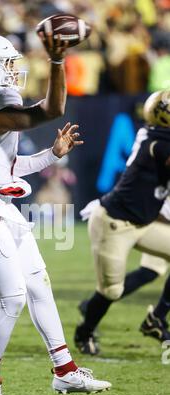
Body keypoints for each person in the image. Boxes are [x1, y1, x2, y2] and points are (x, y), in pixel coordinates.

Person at [0, 32, 111, 395]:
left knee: (38, 280)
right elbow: (52, 109)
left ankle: (65, 370)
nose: (12, 70)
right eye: (7, 63)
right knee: (12, 297)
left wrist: (50, 155)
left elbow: (6, 168)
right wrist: (56, 62)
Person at [75, 90, 170, 355]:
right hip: (114, 224)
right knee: (111, 291)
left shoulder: (154, 134)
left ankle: (158, 318)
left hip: (144, 223)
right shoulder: (159, 140)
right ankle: (85, 332)